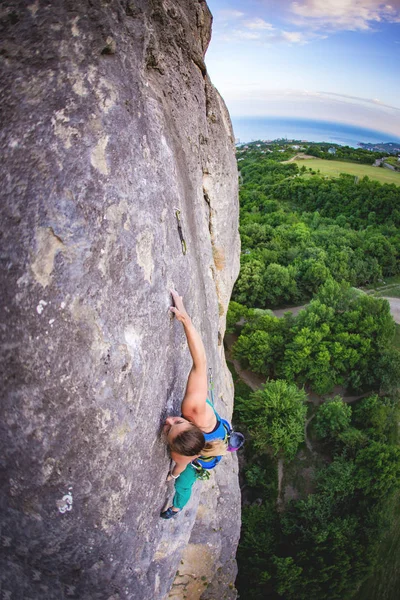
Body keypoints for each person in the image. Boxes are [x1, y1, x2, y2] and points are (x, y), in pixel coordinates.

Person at [160, 290, 230, 519]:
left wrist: (172, 475)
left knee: (183, 484)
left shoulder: (182, 456)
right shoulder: (194, 409)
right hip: (212, 428)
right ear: (191, 424)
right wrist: (186, 321)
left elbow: (179, 467)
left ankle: (177, 507)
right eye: (177, 422)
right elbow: (200, 363)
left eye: (170, 429)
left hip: (200, 455)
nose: (169, 420)